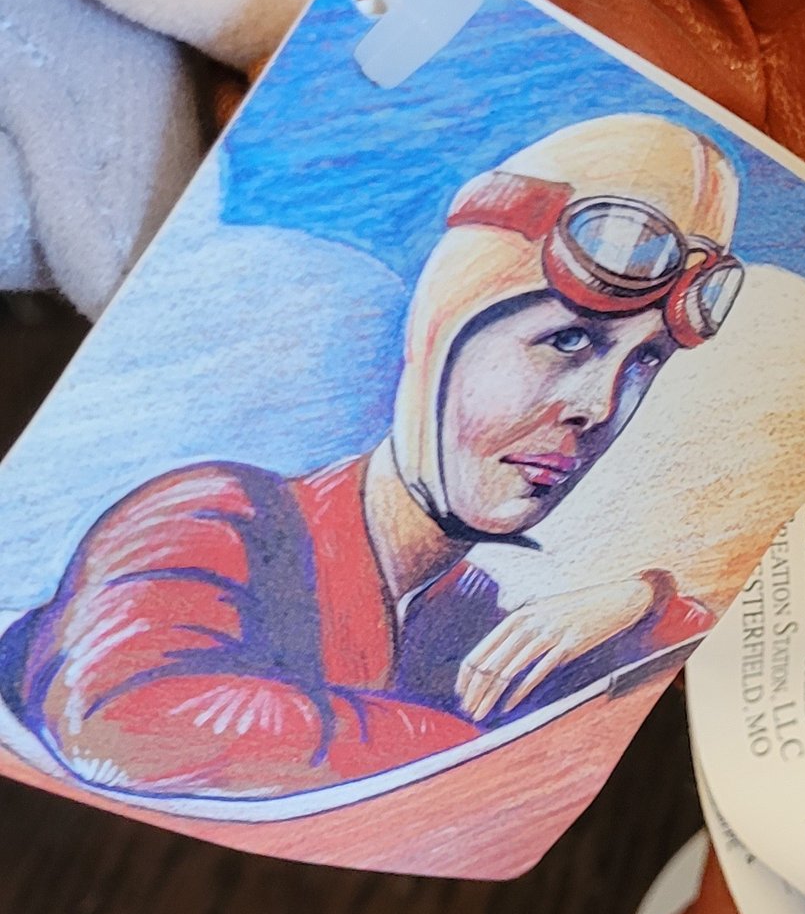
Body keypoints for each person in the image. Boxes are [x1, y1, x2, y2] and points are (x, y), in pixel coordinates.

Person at [0, 114, 742, 802]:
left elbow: (614, 707)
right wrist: (475, 756)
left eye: (643, 363)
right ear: (442, 330)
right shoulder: (210, 518)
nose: (600, 407)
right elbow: (120, 719)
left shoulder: (461, 611)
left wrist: (639, 602)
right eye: (568, 341)